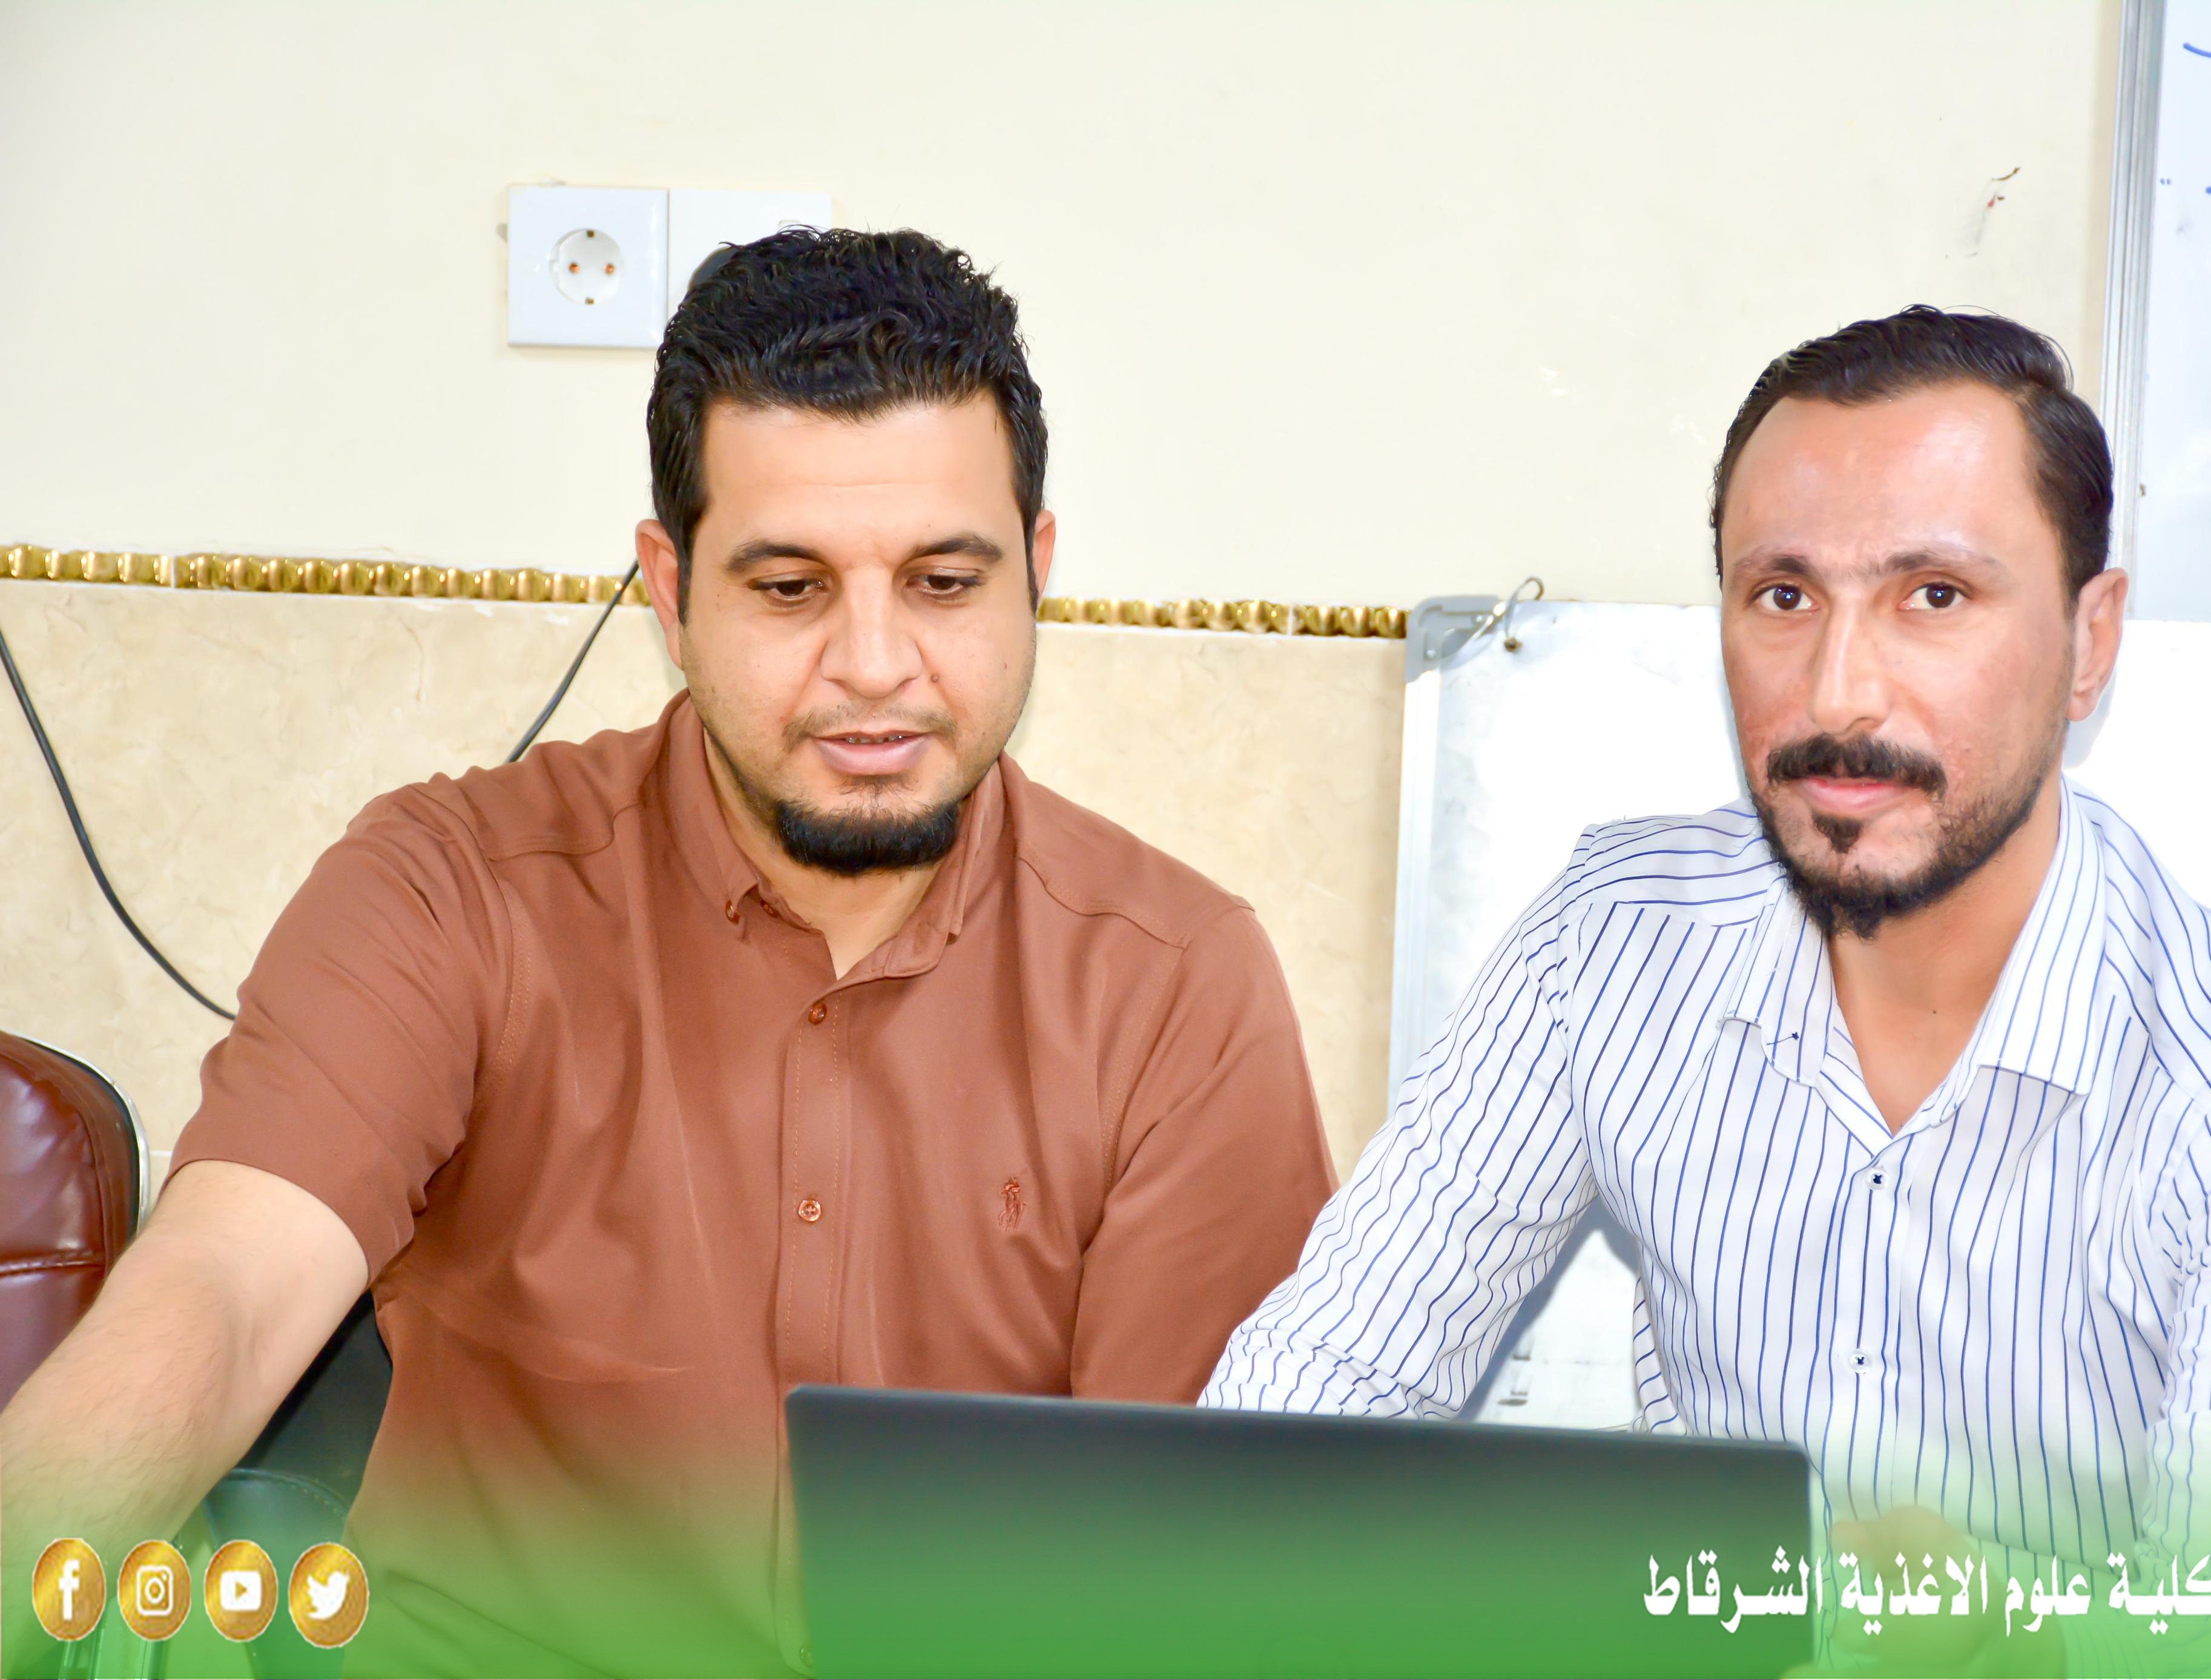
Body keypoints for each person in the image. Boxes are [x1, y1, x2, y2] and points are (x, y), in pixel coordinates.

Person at [2, 228, 1337, 1676]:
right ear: (669, 585)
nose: (874, 663)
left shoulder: (1176, 983)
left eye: (944, 582)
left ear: (1037, 570)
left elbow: (1185, 1565)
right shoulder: (453, 889)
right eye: (789, 588)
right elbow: (224, 1290)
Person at [1204, 308, 2211, 1675]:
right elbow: (1326, 1388)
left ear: (2089, 640)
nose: (1839, 694)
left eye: (1933, 596)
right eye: (1784, 596)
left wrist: (2035, 1649)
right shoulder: (1611, 943)